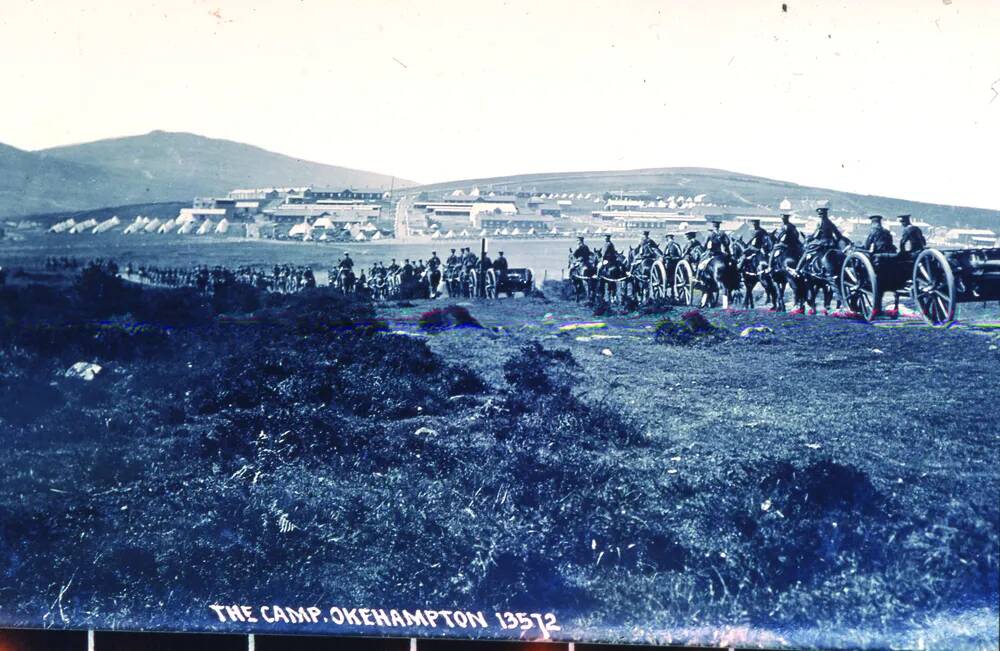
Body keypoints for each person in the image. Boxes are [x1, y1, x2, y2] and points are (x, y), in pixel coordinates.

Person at [795, 203, 850, 275]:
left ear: (820, 215)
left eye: (820, 214)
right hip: (832, 243)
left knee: (807, 252)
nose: (820, 215)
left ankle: (798, 269)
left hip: (822, 243)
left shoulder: (820, 222)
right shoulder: (830, 222)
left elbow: (816, 235)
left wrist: (809, 238)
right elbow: (838, 234)